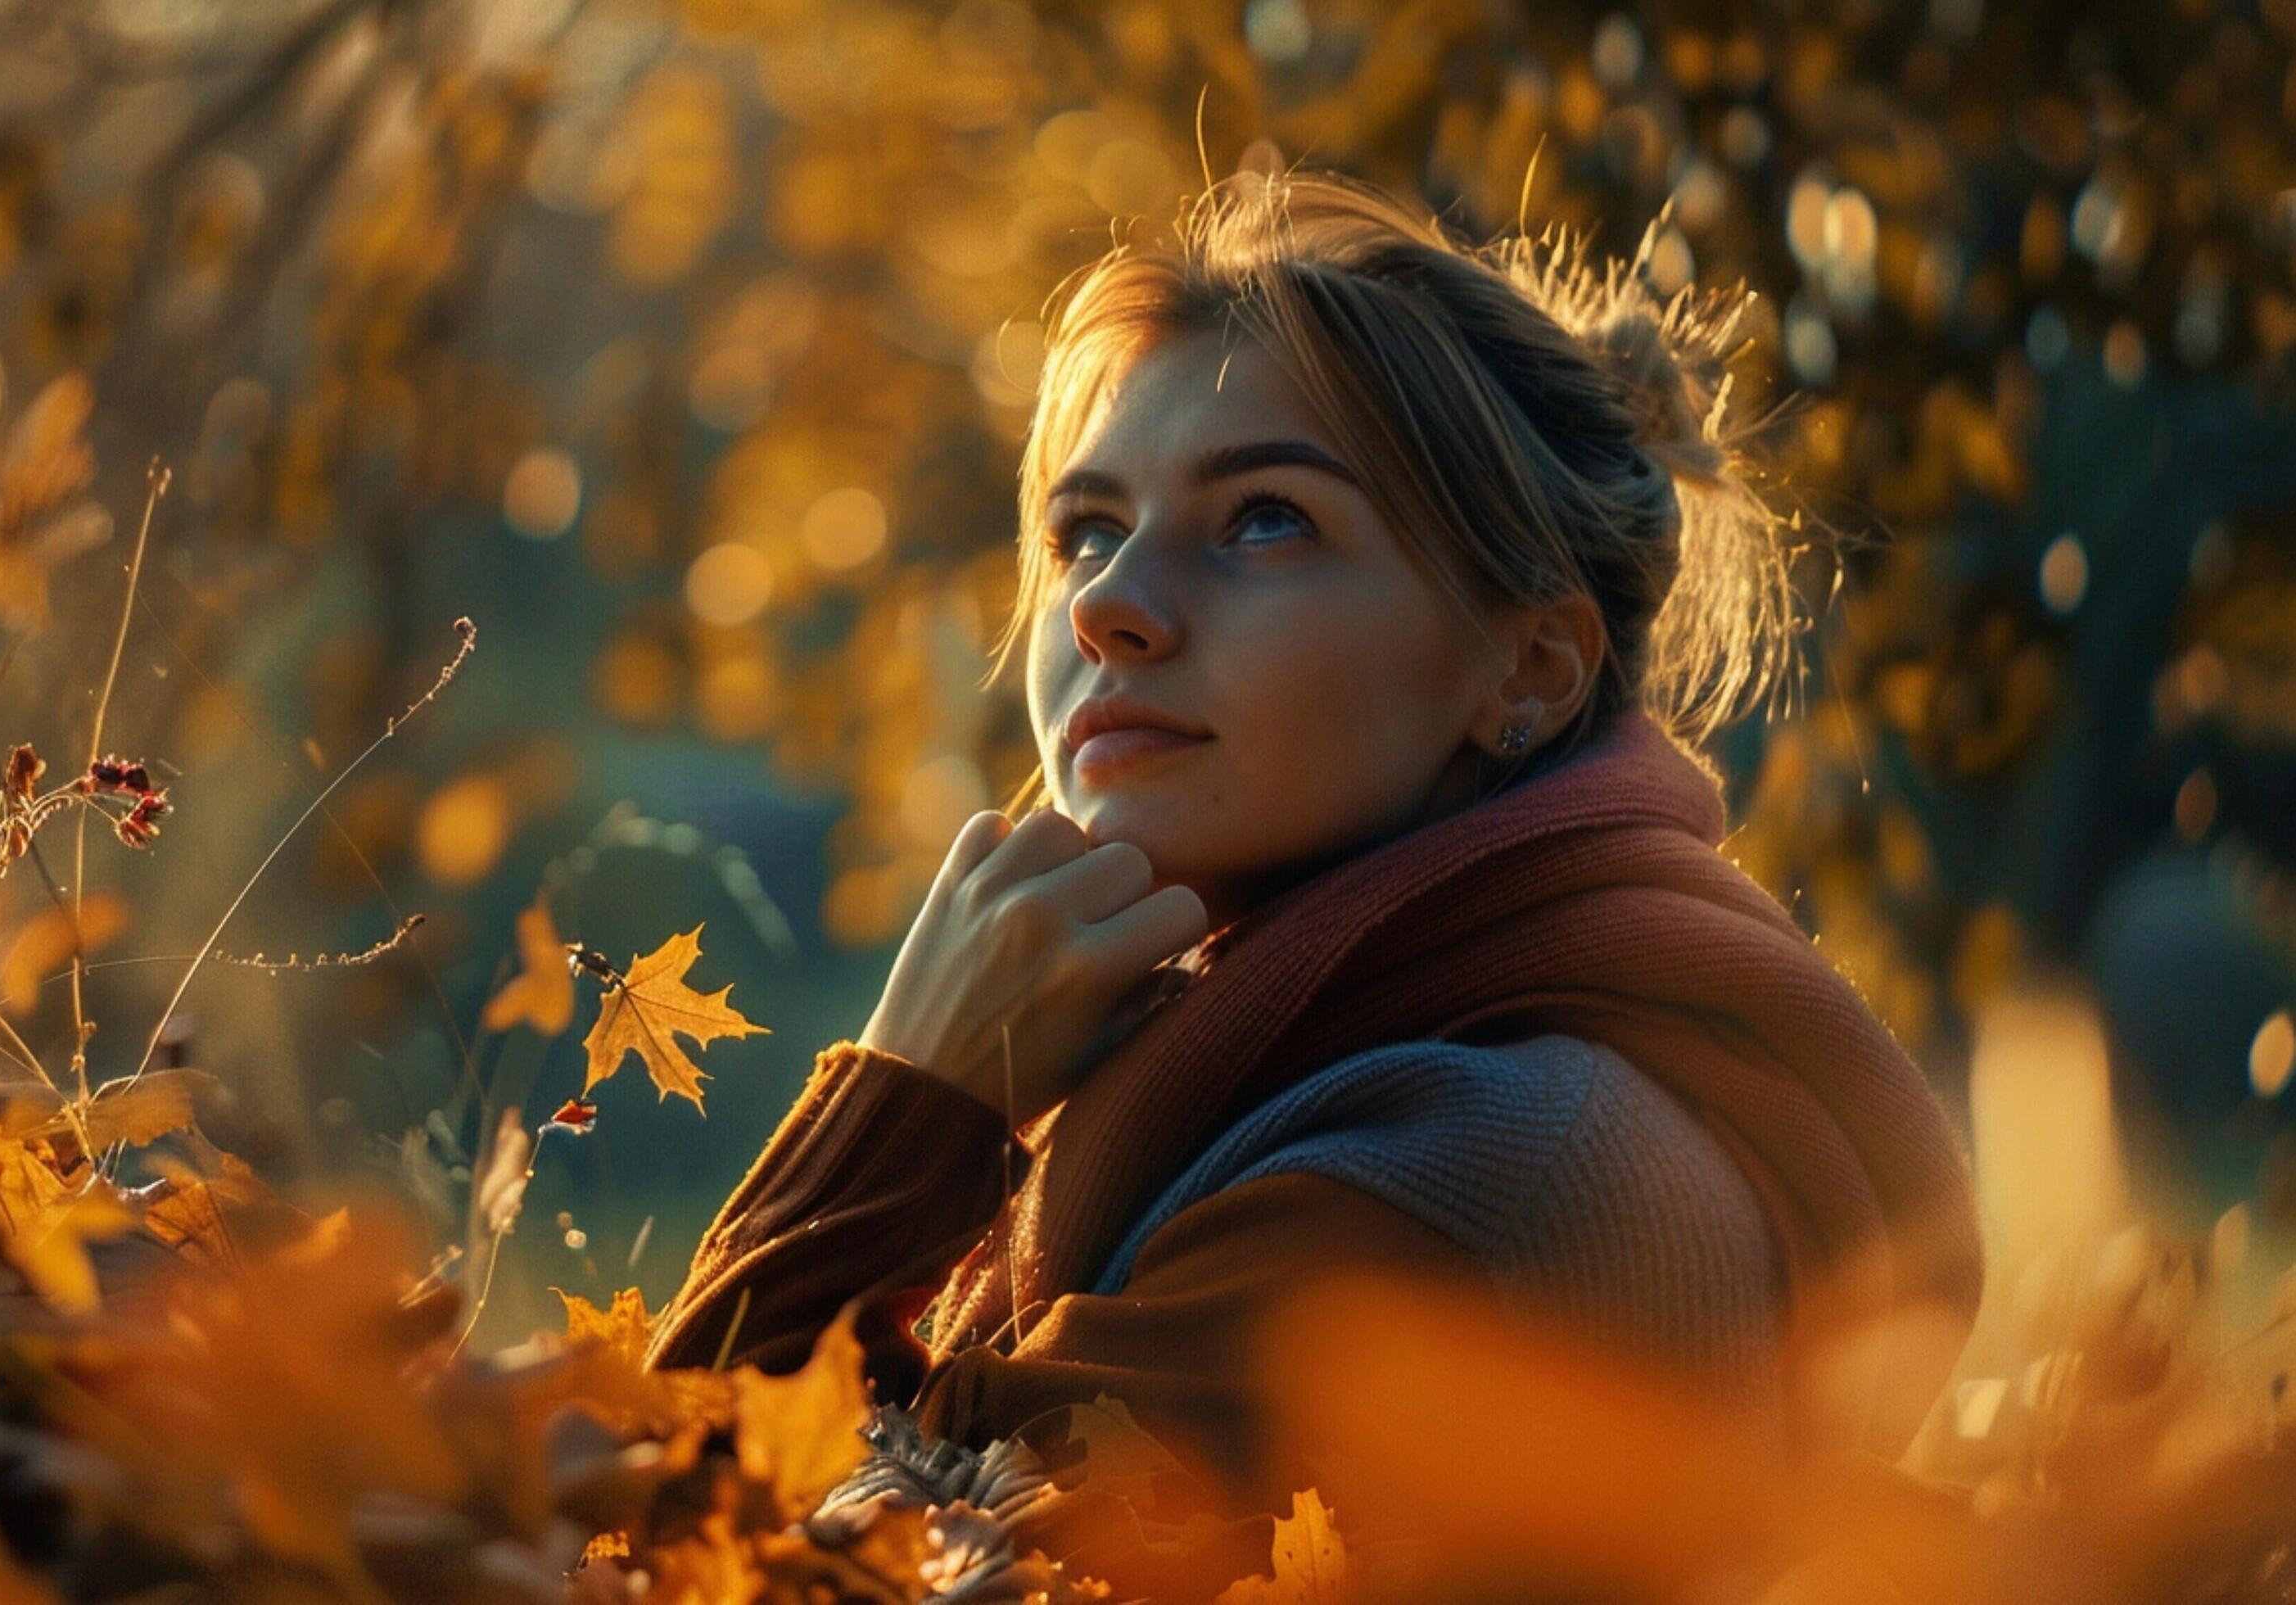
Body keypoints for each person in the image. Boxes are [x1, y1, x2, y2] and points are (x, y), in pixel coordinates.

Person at [642, 165, 1983, 1585]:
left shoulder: (1463, 1172)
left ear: (1525, 666)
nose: (1104, 604)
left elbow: (689, 1556)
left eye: (1264, 518)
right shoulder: (1382, 1071)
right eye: (1085, 529)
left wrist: (910, 1103)